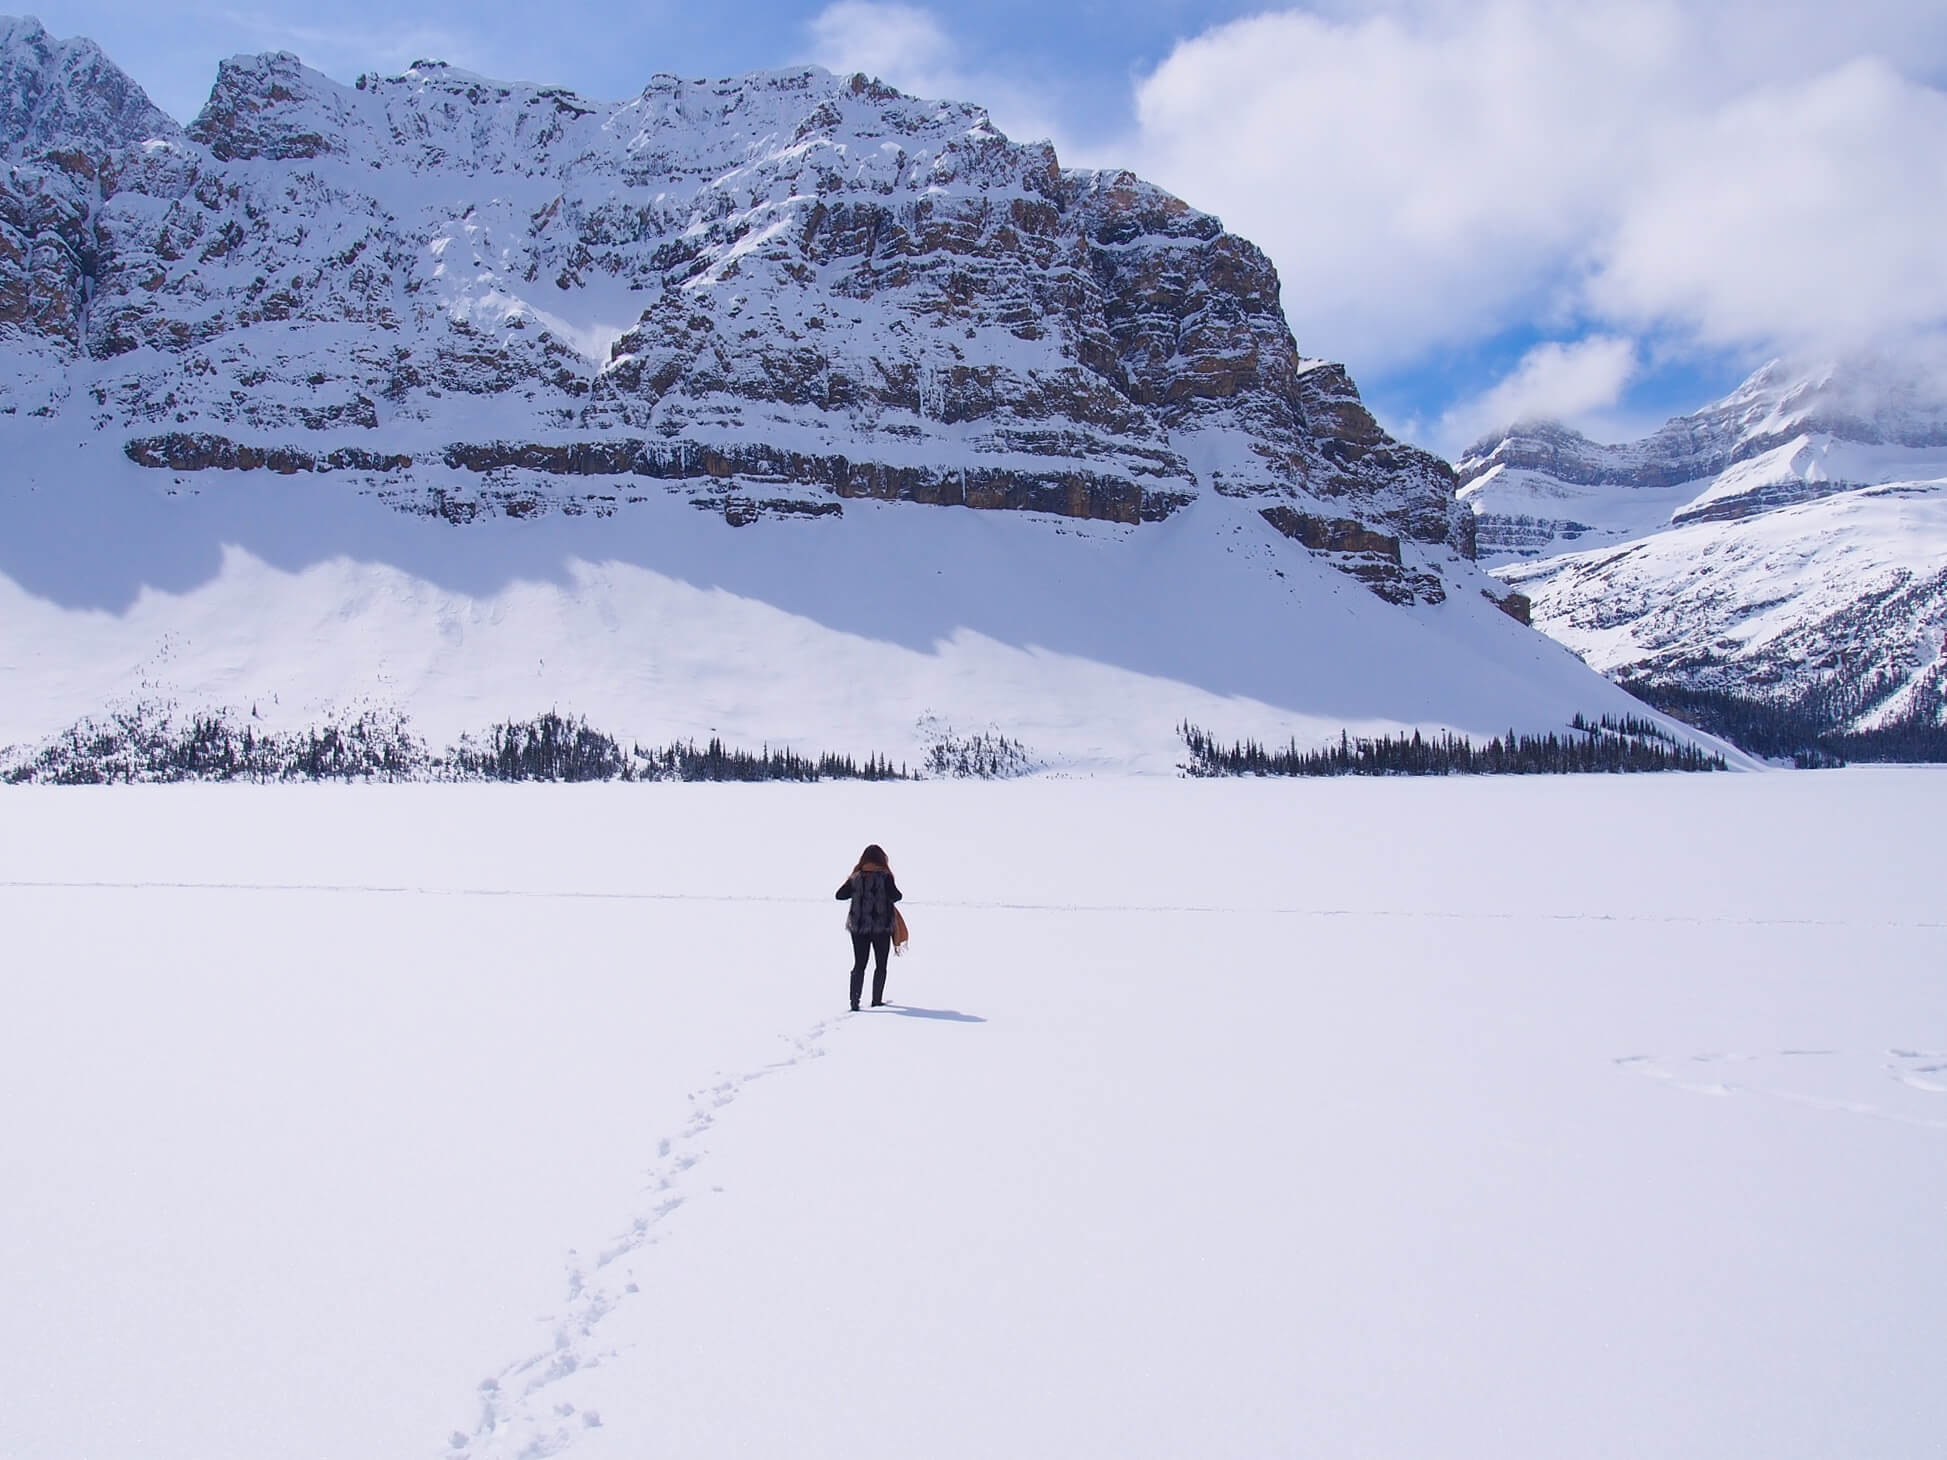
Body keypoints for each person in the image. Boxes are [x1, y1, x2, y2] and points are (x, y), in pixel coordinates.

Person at [835, 844, 902, 1011]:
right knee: (880, 965)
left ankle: (854, 1002)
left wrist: (855, 885)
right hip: (881, 928)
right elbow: (897, 896)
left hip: (858, 927)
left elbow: (840, 895)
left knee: (859, 964)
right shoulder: (885, 877)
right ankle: (876, 1001)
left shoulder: (856, 877)